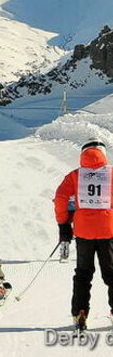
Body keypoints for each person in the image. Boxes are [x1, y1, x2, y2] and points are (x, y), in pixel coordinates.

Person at [54, 139, 113, 330]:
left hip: (83, 232)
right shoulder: (111, 174)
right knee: (111, 274)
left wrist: (64, 224)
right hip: (108, 231)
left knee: (83, 274)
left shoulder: (75, 176)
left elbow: (61, 198)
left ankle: (80, 313)